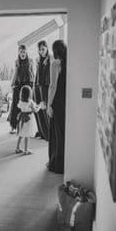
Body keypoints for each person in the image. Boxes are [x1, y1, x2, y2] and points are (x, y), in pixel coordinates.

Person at [47, 40, 67, 173]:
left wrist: (49, 104)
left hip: (58, 102)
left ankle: (57, 163)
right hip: (66, 101)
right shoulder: (68, 63)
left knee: (56, 134)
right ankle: (64, 162)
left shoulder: (55, 64)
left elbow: (53, 86)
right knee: (63, 133)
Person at [9, 45, 34, 133]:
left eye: (24, 52)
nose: (22, 54)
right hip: (19, 84)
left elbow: (32, 73)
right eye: (21, 52)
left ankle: (27, 126)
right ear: (18, 53)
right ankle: (13, 125)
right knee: (16, 104)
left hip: (28, 84)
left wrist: (33, 84)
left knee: (27, 105)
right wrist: (12, 83)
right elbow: (16, 73)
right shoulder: (17, 61)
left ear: (26, 52)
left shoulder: (30, 61)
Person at [14, 85, 42, 155]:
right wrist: (40, 106)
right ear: (29, 94)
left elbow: (22, 108)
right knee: (27, 134)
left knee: (21, 133)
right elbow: (35, 110)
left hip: (22, 118)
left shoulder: (20, 101)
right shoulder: (30, 102)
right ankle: (26, 150)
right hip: (29, 119)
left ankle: (17, 148)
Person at [34, 40, 51, 140]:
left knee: (45, 110)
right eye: (40, 50)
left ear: (47, 48)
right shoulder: (38, 60)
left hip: (45, 88)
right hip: (37, 87)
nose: (41, 51)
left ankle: (48, 133)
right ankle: (41, 132)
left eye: (43, 49)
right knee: (38, 111)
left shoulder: (50, 59)